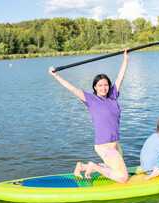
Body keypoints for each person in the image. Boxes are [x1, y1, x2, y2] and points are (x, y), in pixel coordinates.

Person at [48, 49, 130, 183]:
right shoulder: (91, 100)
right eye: (100, 86)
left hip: (115, 144)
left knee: (115, 168)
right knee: (123, 177)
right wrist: (56, 76)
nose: (103, 88)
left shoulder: (113, 96)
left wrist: (125, 59)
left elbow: (120, 77)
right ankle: (93, 166)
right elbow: (72, 88)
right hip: (104, 146)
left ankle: (82, 167)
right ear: (95, 87)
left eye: (106, 85)